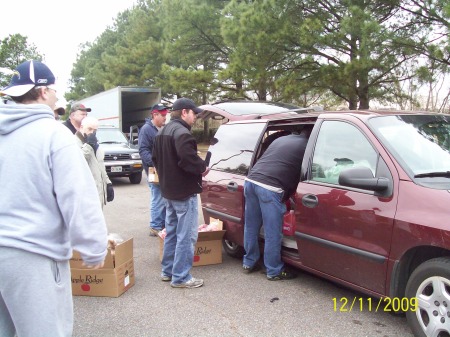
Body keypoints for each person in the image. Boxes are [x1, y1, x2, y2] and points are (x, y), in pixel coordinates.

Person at [0, 60, 108, 336]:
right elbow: (77, 196)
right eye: (55, 91)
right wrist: (93, 246)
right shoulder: (52, 133)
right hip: (33, 254)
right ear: (43, 90)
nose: (58, 97)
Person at [152, 97, 209, 289]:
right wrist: (202, 167)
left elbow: (155, 159)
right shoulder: (182, 133)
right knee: (187, 235)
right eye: (194, 113)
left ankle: (168, 271)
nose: (196, 118)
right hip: (184, 193)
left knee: (173, 232)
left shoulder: (162, 132)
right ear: (184, 112)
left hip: (168, 191)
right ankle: (181, 277)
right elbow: (188, 160)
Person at [243, 128, 311, 280]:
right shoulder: (309, 146)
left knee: (251, 226)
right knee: (272, 231)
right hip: (270, 187)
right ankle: (273, 270)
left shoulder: (281, 139)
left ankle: (249, 262)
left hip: (250, 181)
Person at [138, 103, 168, 236]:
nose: (164, 118)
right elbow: (143, 150)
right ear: (154, 115)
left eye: (165, 115)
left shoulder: (162, 128)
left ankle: (163, 225)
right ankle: (155, 226)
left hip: (163, 169)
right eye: (162, 115)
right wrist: (155, 164)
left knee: (165, 198)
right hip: (154, 170)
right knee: (158, 198)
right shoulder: (146, 129)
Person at [75, 116, 114, 209]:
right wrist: (89, 146)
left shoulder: (96, 144)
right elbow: (77, 162)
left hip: (98, 193)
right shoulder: (73, 143)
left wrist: (108, 183)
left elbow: (100, 165)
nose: (92, 132)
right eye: (89, 129)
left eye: (95, 130)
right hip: (85, 195)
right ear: (81, 127)